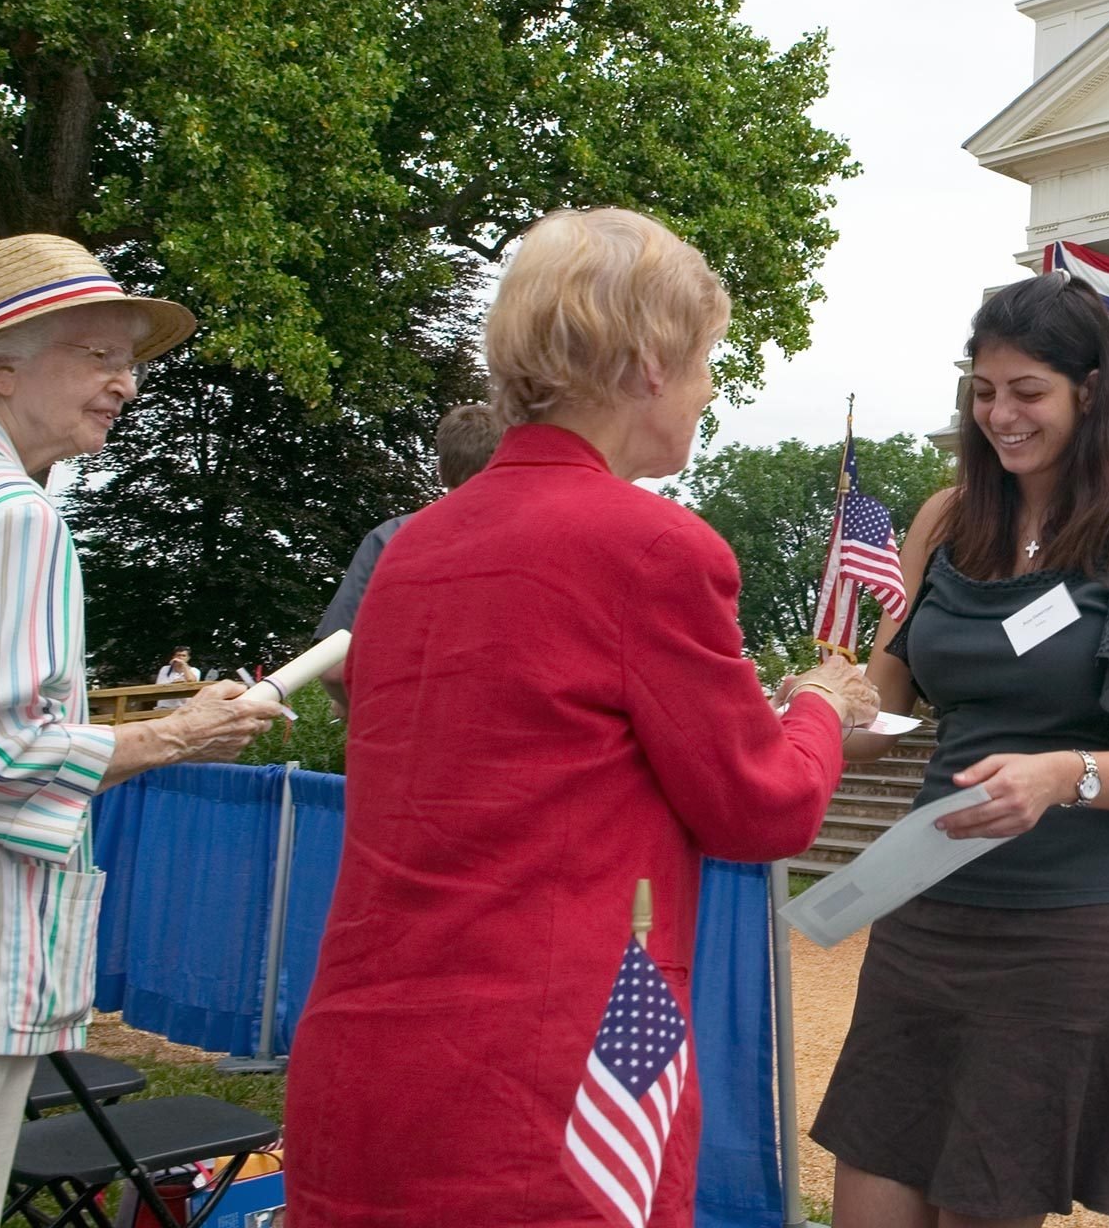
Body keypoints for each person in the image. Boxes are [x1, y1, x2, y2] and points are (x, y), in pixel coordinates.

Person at [288, 209, 874, 1227]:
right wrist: (821, 706)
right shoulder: (652, 547)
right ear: (652, 362)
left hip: (367, 1057)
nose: (705, 390)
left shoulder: (412, 550)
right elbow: (760, 807)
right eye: (705, 363)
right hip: (548, 1083)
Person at [813, 271, 1109, 1228]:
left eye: (1027, 391)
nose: (1001, 414)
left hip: (1073, 922)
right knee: (869, 1194)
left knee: (984, 1207)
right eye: (983, 391)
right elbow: (885, 709)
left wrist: (1063, 775)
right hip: (930, 904)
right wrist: (814, 711)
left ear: (1090, 390)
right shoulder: (943, 522)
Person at [0, 235, 282, 1228]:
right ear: (0, 362)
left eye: (131, 360)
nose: (126, 384)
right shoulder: (3, 515)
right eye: (97, 354)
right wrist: (183, 734)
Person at [315, 401, 507, 709]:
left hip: (401, 735)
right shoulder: (543, 540)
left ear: (441, 470)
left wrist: (356, 709)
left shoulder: (389, 538)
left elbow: (334, 669)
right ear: (507, 462)